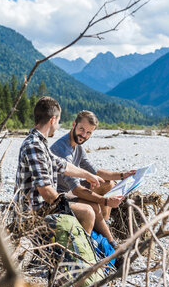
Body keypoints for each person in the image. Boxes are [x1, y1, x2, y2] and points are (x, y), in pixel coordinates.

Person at [14, 97, 105, 235]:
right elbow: (46, 192)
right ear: (53, 120)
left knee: (87, 206)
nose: (58, 126)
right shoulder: (34, 145)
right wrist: (66, 204)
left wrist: (88, 175)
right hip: (34, 213)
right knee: (87, 212)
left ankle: (83, 244)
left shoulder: (40, 144)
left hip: (43, 206)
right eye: (59, 121)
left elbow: (63, 165)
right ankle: (76, 254)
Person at [50, 110, 135, 248]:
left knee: (108, 184)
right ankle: (112, 244)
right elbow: (76, 189)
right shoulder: (62, 150)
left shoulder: (77, 147)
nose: (84, 135)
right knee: (94, 206)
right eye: (81, 129)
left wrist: (122, 175)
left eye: (89, 132)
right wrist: (106, 201)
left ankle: (103, 225)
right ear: (73, 124)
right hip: (59, 194)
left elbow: (96, 171)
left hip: (71, 191)